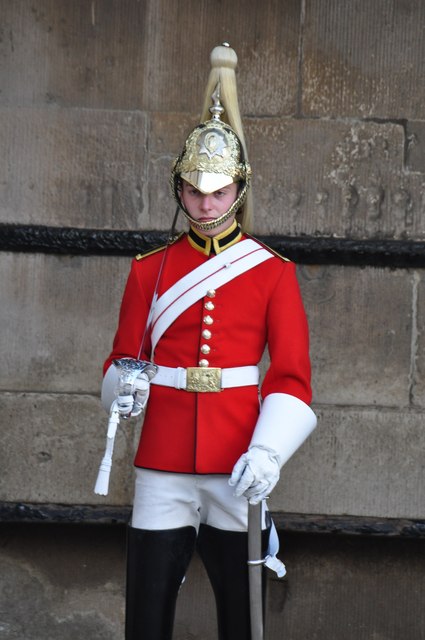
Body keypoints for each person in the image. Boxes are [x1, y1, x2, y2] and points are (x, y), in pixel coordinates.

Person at [100, 43, 317, 640]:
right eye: (195, 191)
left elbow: (292, 376)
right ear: (180, 188)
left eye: (218, 191)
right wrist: (123, 389)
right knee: (146, 614)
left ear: (238, 189)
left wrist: (268, 452)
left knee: (239, 620)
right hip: (163, 460)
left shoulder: (272, 271)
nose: (205, 203)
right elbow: (120, 360)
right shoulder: (151, 269)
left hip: (238, 461)